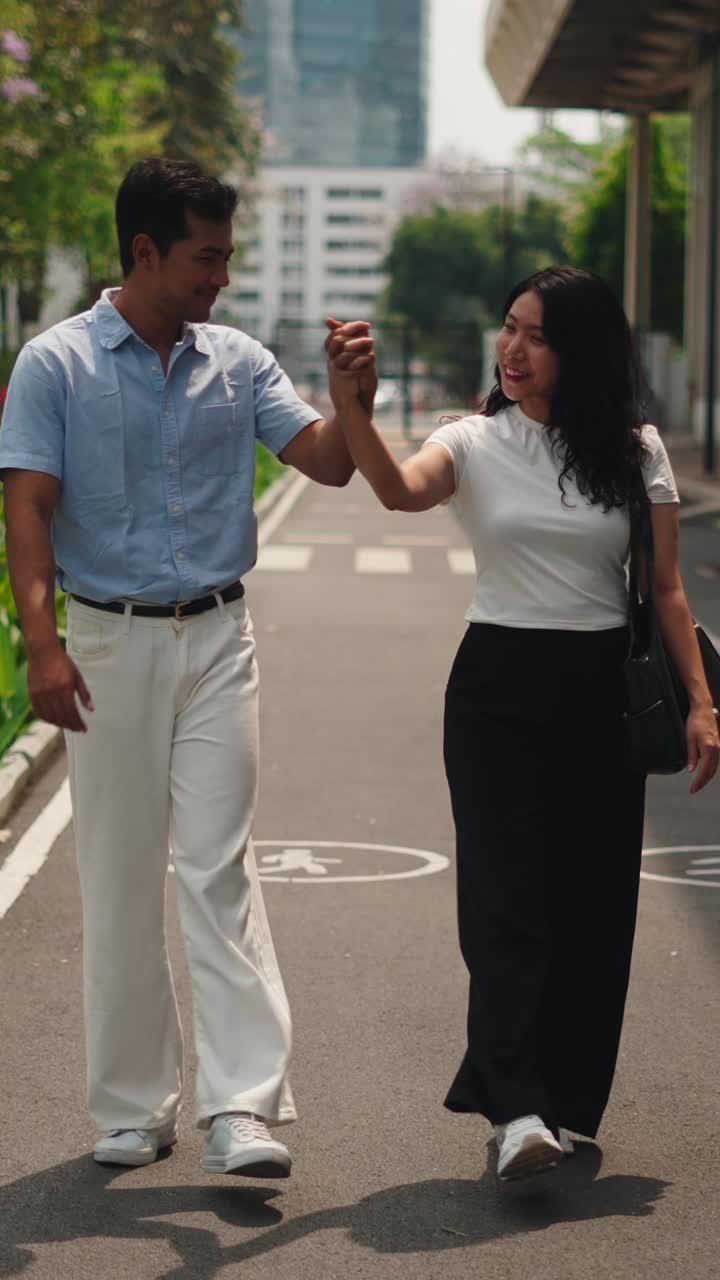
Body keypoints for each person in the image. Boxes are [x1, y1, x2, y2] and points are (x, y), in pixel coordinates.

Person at [0, 157, 374, 1177]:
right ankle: (132, 1104)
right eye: (206, 257)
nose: (221, 276)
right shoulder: (56, 364)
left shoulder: (239, 360)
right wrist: (42, 644)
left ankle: (242, 1104)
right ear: (146, 252)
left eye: (228, 255)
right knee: (118, 873)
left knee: (216, 862)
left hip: (219, 638)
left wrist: (354, 396)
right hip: (105, 641)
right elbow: (27, 506)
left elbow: (330, 461)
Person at [325, 266, 720, 1183]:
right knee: (505, 903)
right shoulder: (471, 439)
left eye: (536, 334)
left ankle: (568, 1103)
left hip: (601, 693)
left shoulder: (636, 449)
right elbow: (397, 489)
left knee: (593, 903)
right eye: (509, 327)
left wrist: (702, 702)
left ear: (577, 351)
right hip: (497, 690)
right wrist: (356, 405)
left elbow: (665, 588)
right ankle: (514, 1108)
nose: (513, 348)